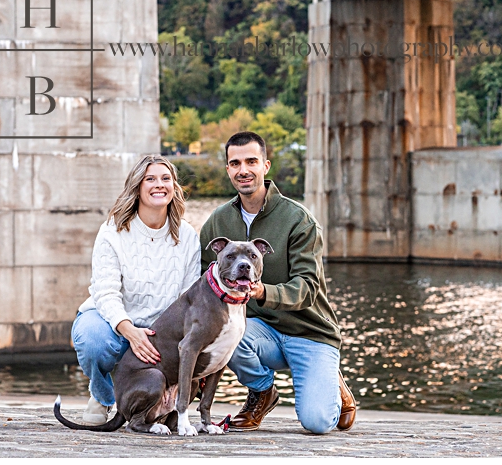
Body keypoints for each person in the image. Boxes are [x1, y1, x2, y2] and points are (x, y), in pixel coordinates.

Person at [200, 131, 356, 434]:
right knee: (222, 333)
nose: (243, 170)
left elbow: (308, 287)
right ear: (228, 170)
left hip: (308, 331)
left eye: (251, 161)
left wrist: (261, 292)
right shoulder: (218, 222)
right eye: (235, 163)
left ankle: (333, 382)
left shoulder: (298, 219)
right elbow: (200, 280)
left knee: (318, 422)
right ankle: (262, 392)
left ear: (265, 165)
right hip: (257, 332)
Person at [72, 154, 201, 423]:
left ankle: (157, 403)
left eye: (166, 179)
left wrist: (163, 340)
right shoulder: (112, 231)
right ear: (137, 187)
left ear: (174, 187)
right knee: (92, 338)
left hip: (161, 333)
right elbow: (105, 291)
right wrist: (129, 331)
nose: (159, 185)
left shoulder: (187, 236)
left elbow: (189, 298)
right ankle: (104, 397)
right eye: (150, 179)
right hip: (115, 324)